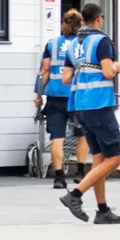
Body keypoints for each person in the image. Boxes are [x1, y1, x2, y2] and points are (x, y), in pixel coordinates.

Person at [60, 3, 120, 224]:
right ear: (99, 19)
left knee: (99, 158)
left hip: (80, 105)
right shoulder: (101, 41)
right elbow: (108, 72)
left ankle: (103, 210)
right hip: (98, 104)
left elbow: (66, 78)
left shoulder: (73, 44)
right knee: (114, 158)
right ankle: (75, 195)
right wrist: (117, 66)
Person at [34, 10, 90, 189]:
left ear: (63, 24)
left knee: (57, 137)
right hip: (78, 96)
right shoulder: (83, 44)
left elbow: (45, 71)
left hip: (55, 97)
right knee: (82, 136)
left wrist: (38, 95)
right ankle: (80, 172)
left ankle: (59, 177)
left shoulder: (53, 44)